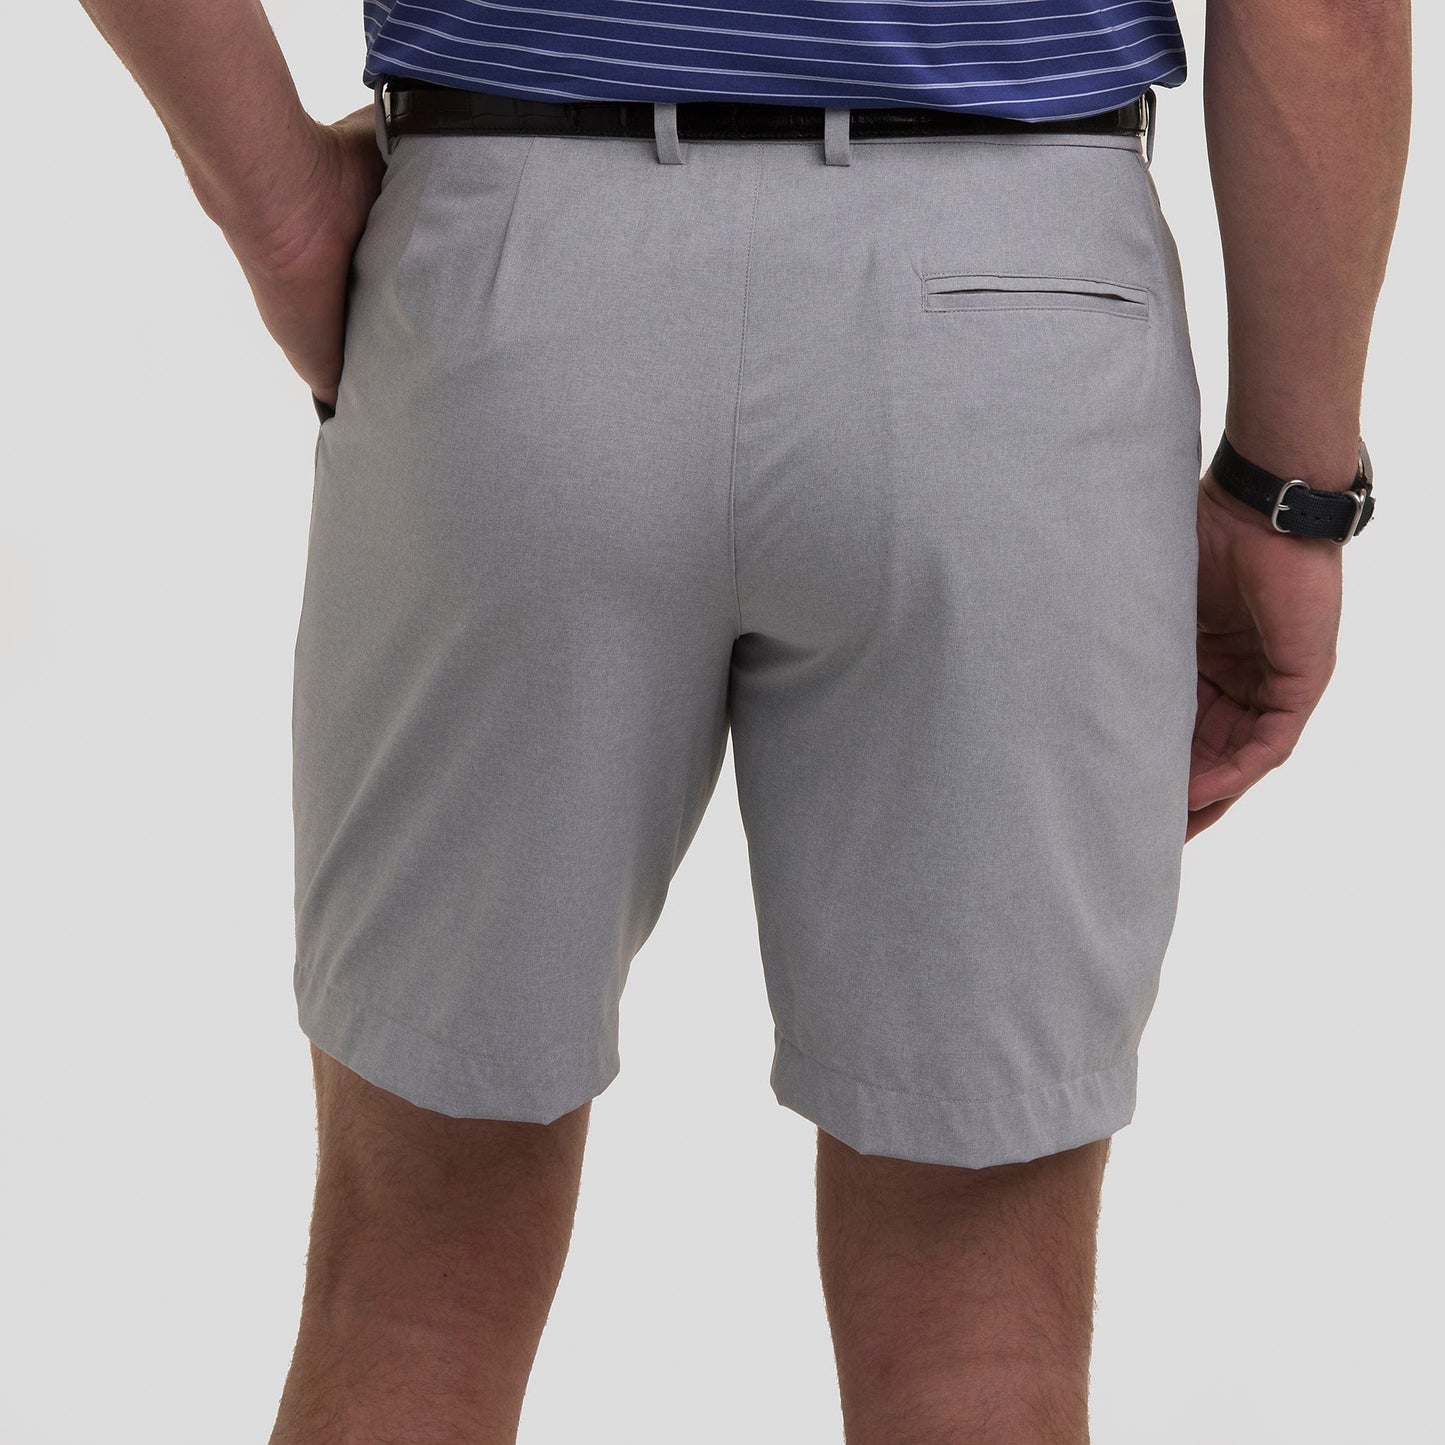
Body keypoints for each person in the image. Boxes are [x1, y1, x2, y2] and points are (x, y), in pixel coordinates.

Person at [79, 1, 1411, 1440]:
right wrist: (1289, 488)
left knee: (413, 1293)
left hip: (519, 274)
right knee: (981, 1338)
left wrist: (284, 214)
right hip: (1011, 314)